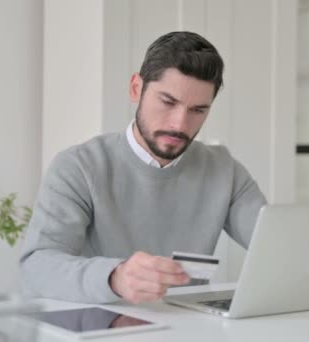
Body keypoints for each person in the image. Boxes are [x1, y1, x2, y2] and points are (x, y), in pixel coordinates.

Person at [19, 31, 267, 304]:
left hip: (190, 327)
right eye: (168, 102)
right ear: (136, 88)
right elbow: (36, 268)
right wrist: (116, 277)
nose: (179, 124)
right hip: (104, 327)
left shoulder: (225, 171)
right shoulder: (78, 166)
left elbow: (276, 245)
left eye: (198, 110)